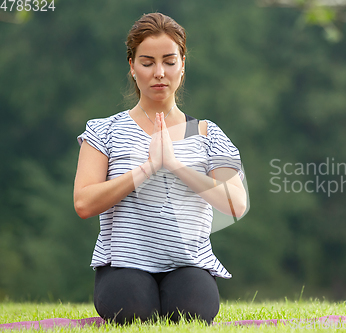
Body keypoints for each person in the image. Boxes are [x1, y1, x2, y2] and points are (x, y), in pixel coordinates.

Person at [73, 12, 247, 325]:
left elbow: (236, 203)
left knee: (190, 314)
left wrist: (176, 165)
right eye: (147, 62)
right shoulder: (103, 131)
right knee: (133, 313)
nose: (159, 73)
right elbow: (84, 203)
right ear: (131, 66)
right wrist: (148, 168)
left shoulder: (207, 132)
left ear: (182, 64)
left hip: (188, 264)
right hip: (124, 265)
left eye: (169, 61)